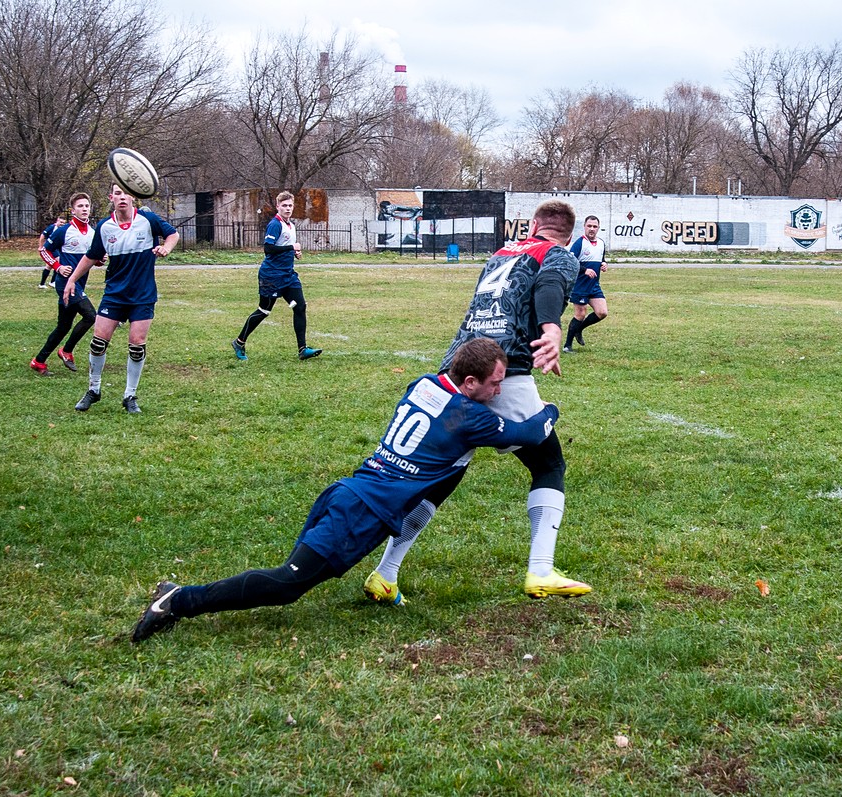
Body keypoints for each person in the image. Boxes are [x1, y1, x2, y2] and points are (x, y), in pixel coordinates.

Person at [130, 338, 559, 643]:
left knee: (289, 575)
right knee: (285, 585)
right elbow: (529, 431)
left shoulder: (425, 384)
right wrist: (550, 409)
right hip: (360, 513)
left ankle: (180, 596)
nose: (500, 391)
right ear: (468, 383)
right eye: (495, 384)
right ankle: (179, 599)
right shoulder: (470, 417)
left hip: (346, 491)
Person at [362, 200, 591, 603]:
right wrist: (553, 329)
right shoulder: (556, 253)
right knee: (549, 462)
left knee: (444, 476)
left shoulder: (501, 253)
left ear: (533, 224)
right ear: (568, 234)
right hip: (502, 373)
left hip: (457, 369)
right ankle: (540, 570)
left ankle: (385, 572)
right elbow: (550, 287)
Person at [62, 183, 178, 414]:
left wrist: (166, 247)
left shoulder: (147, 219)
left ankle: (130, 396)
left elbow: (172, 234)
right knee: (98, 342)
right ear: (111, 198)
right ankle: (94, 390)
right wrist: (72, 279)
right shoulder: (105, 227)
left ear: (133, 196)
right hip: (115, 294)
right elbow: (91, 256)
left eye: (125, 193)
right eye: (117, 193)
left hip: (143, 295)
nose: (122, 197)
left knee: (136, 346)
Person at [231, 191, 321, 361]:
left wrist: (295, 253)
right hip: (271, 275)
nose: (287, 208)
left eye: (290, 205)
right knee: (264, 310)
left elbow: (286, 246)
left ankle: (302, 349)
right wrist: (291, 248)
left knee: (300, 306)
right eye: (284, 205)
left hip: (288, 275)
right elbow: (268, 248)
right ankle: (239, 342)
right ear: (278, 207)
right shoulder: (275, 224)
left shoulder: (291, 225)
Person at [30, 193, 98, 375]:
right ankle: (66, 351)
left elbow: (93, 258)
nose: (84, 209)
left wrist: (100, 260)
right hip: (65, 284)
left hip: (79, 284)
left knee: (63, 327)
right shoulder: (64, 231)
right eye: (80, 206)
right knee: (91, 316)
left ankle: (39, 361)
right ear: (73, 210)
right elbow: (44, 251)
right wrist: (58, 267)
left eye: (87, 206)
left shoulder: (93, 233)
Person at [563, 215, 609, 352]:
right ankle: (567, 346)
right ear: (584, 227)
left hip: (594, 285)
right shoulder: (579, 243)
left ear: (598, 228)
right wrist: (584, 270)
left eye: (595, 226)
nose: (592, 229)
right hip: (580, 285)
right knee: (580, 314)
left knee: (602, 312)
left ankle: (579, 329)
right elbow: (569, 262)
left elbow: (600, 258)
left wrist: (603, 263)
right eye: (589, 226)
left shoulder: (601, 243)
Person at [36, 214, 66, 289]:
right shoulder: (52, 228)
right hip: (50, 248)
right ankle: (52, 282)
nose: (62, 224)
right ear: (57, 221)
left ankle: (43, 283)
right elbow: (42, 236)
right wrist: (40, 246)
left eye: (63, 223)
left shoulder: (62, 230)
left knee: (49, 265)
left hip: (56, 248)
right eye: (61, 222)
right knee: (58, 261)